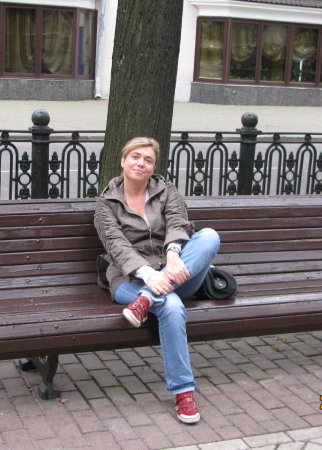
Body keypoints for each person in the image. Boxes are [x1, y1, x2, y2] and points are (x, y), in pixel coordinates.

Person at [93, 136, 220, 424]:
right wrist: (149, 276)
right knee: (171, 305)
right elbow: (116, 246)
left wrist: (173, 254)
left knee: (209, 236)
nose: (141, 163)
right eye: (135, 157)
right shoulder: (106, 204)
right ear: (123, 161)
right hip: (129, 279)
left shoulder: (166, 191)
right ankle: (184, 392)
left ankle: (147, 299)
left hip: (174, 272)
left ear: (154, 167)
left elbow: (178, 222)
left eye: (148, 160)